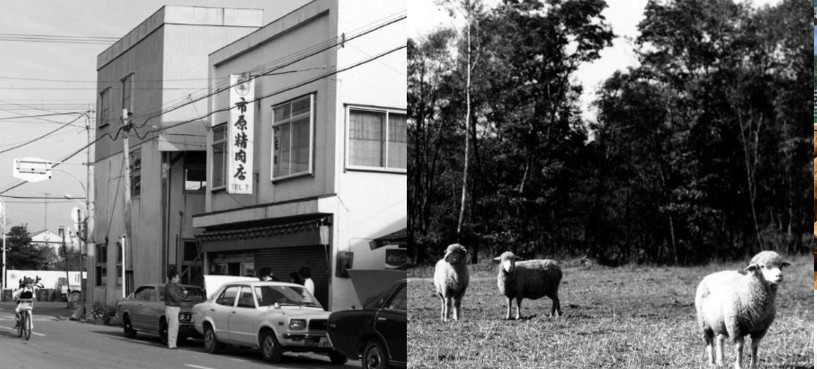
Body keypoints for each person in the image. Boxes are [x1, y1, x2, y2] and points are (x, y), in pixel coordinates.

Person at [164, 270, 186, 349]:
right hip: (171, 307)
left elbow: (178, 295)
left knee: (175, 326)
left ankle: (173, 343)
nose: (178, 279)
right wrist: (183, 294)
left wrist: (182, 294)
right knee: (172, 326)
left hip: (175, 308)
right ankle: (171, 344)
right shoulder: (170, 286)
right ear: (173, 278)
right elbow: (175, 297)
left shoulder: (175, 286)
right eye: (177, 277)